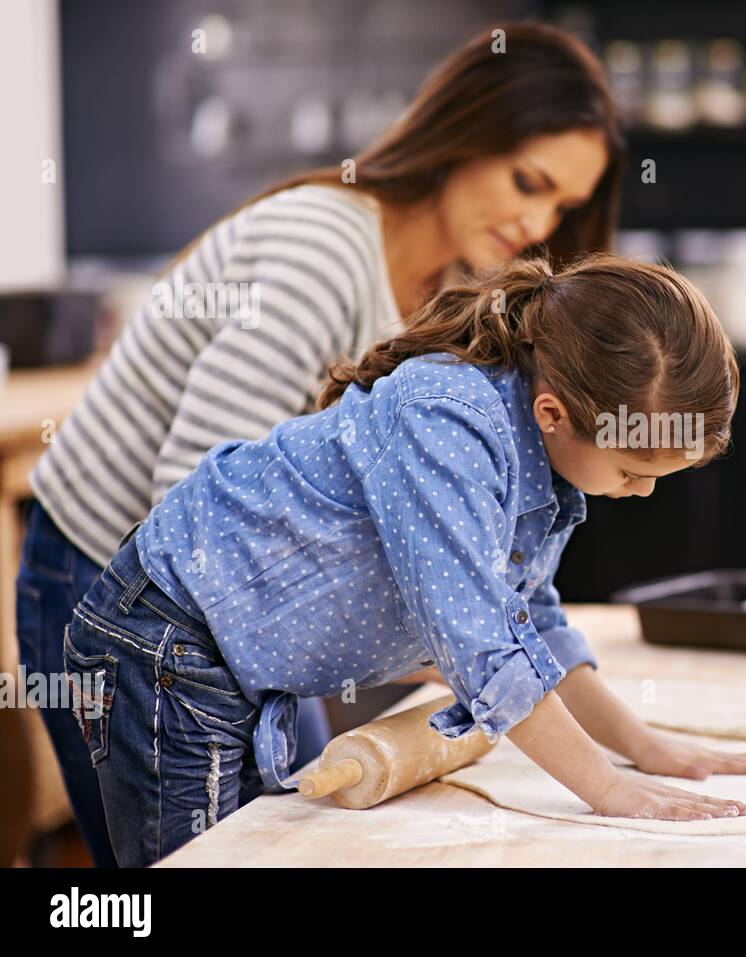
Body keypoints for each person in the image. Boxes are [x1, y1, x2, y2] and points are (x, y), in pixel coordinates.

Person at [18, 20, 625, 866]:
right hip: (120, 590)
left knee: (296, 834)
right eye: (528, 181)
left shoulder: (462, 296)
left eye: (561, 206)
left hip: (235, 605)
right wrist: (449, 634)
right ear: (464, 136)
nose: (535, 220)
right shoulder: (322, 252)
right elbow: (190, 502)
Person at [64, 254, 746, 867]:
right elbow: (483, 645)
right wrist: (607, 788)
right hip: (171, 641)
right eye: (631, 469)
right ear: (555, 413)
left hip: (235, 656)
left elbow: (531, 624)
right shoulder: (448, 419)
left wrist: (641, 746)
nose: (644, 491)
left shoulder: (545, 459)